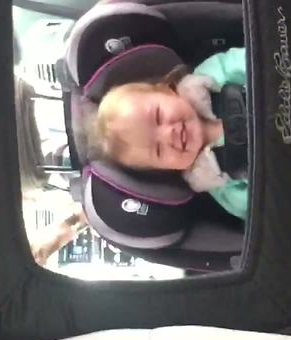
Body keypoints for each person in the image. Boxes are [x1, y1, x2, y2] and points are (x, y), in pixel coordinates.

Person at [88, 47, 248, 220]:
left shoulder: (210, 76)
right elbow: (261, 202)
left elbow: (256, 60)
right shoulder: (219, 182)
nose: (168, 135)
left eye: (158, 117)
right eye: (158, 150)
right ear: (166, 169)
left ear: (165, 91)